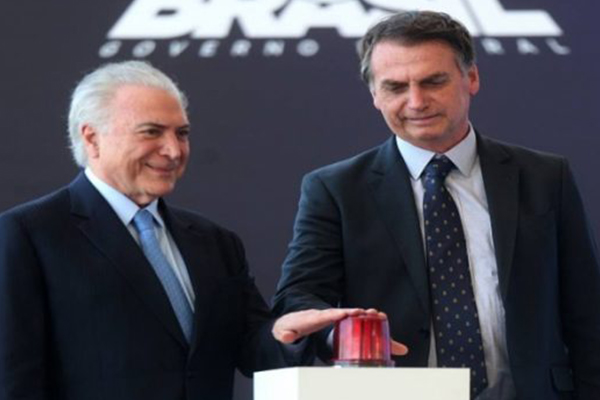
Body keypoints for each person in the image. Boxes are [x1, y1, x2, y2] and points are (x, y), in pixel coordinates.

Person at [273, 10, 600, 400]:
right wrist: (344, 336)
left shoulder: (544, 177)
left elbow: (587, 312)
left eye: (433, 81)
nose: (416, 102)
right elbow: (300, 299)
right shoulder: (335, 189)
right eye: (395, 87)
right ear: (375, 95)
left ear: (471, 78)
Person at [0, 60, 366, 400]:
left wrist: (285, 332)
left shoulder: (215, 242)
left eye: (182, 133)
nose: (173, 150)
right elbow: (14, 376)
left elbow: (251, 348)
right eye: (152, 132)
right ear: (92, 138)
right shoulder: (28, 235)